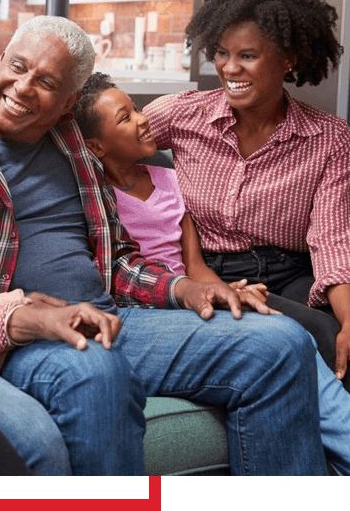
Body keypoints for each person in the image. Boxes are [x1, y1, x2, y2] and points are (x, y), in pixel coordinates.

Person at [0, 14, 329, 475]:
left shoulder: (76, 145)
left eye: (47, 81)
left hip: (116, 317)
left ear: (69, 102)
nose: (23, 87)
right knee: (95, 370)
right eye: (17, 66)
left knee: (283, 343)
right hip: (28, 334)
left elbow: (116, 260)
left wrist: (183, 289)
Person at [77, 73, 350, 474]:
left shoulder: (169, 181)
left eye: (136, 107)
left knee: (295, 335)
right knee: (285, 343)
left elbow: (196, 266)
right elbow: (115, 273)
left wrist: (230, 294)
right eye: (126, 117)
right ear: (95, 146)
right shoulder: (98, 198)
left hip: (194, 300)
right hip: (151, 311)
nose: (142, 118)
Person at [143, 0, 350, 381]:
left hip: (289, 275)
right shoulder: (183, 115)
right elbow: (101, 137)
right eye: (221, 52)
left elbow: (332, 241)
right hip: (203, 270)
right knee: (307, 335)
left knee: (332, 332)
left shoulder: (329, 139)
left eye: (248, 55)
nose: (229, 68)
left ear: (287, 58)